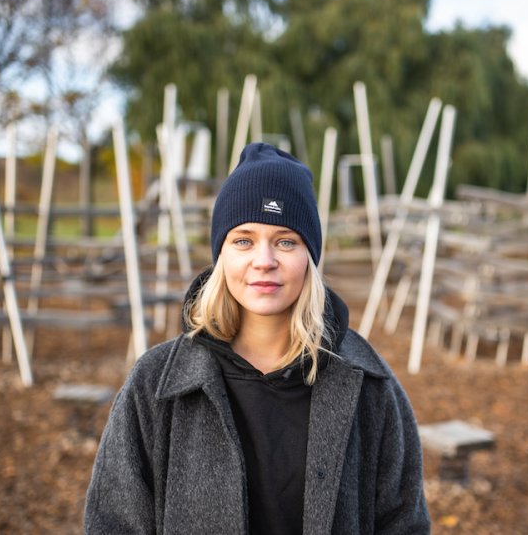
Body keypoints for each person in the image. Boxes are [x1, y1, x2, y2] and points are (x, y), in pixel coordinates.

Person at [84, 142, 430, 534]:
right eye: (243, 240)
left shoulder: (370, 387)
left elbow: (404, 525)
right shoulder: (156, 385)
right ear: (221, 256)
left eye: (285, 241)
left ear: (309, 257)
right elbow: (113, 523)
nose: (263, 260)